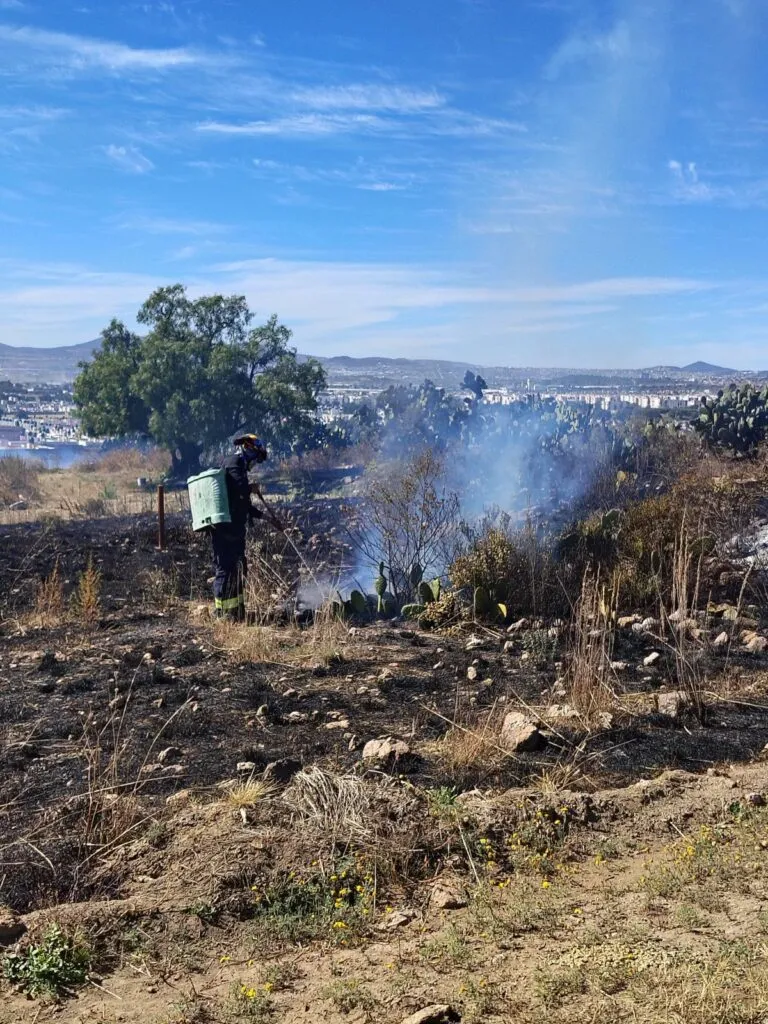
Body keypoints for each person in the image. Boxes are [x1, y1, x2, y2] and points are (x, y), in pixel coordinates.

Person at [211, 433, 274, 621]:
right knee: (225, 569)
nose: (255, 463)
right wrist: (251, 488)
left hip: (236, 531)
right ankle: (222, 614)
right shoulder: (234, 462)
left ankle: (237, 612)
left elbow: (244, 505)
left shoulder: (240, 467)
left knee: (239, 568)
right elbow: (239, 488)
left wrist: (267, 518)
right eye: (256, 458)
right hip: (224, 530)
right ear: (248, 449)